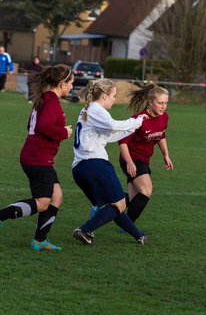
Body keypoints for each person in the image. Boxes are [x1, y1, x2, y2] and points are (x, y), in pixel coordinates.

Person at [0, 64, 73, 251]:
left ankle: (39, 240)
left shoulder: (44, 99)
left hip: (36, 154)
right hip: (38, 158)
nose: (72, 87)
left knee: (56, 196)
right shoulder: (52, 101)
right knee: (42, 202)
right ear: (63, 84)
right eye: (71, 83)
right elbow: (43, 127)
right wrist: (64, 132)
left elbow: (31, 126)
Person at [72, 79, 148, 245]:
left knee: (111, 207)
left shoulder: (88, 110)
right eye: (114, 96)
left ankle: (139, 235)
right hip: (95, 164)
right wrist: (137, 121)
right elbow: (113, 125)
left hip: (79, 168)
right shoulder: (97, 110)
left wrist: (133, 127)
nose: (115, 99)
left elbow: (111, 136)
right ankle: (85, 230)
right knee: (119, 203)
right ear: (105, 96)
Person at [119, 84, 174, 224]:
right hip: (131, 159)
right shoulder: (138, 119)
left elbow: (161, 135)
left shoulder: (164, 117)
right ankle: (128, 225)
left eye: (166, 103)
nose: (164, 106)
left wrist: (166, 155)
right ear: (150, 102)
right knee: (146, 190)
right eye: (160, 103)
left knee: (133, 199)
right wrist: (130, 163)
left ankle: (104, 206)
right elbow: (122, 142)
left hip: (144, 160)